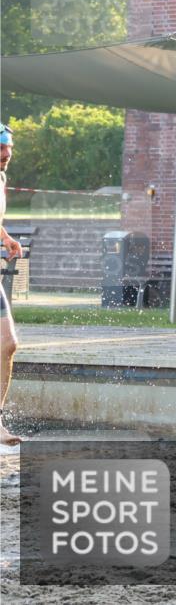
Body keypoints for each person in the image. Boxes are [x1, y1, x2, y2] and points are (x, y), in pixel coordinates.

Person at [0, 123, 24, 445]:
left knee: (7, 344)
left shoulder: (2, 178)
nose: (7, 153)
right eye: (1, 148)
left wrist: (4, 237)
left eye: (9, 148)